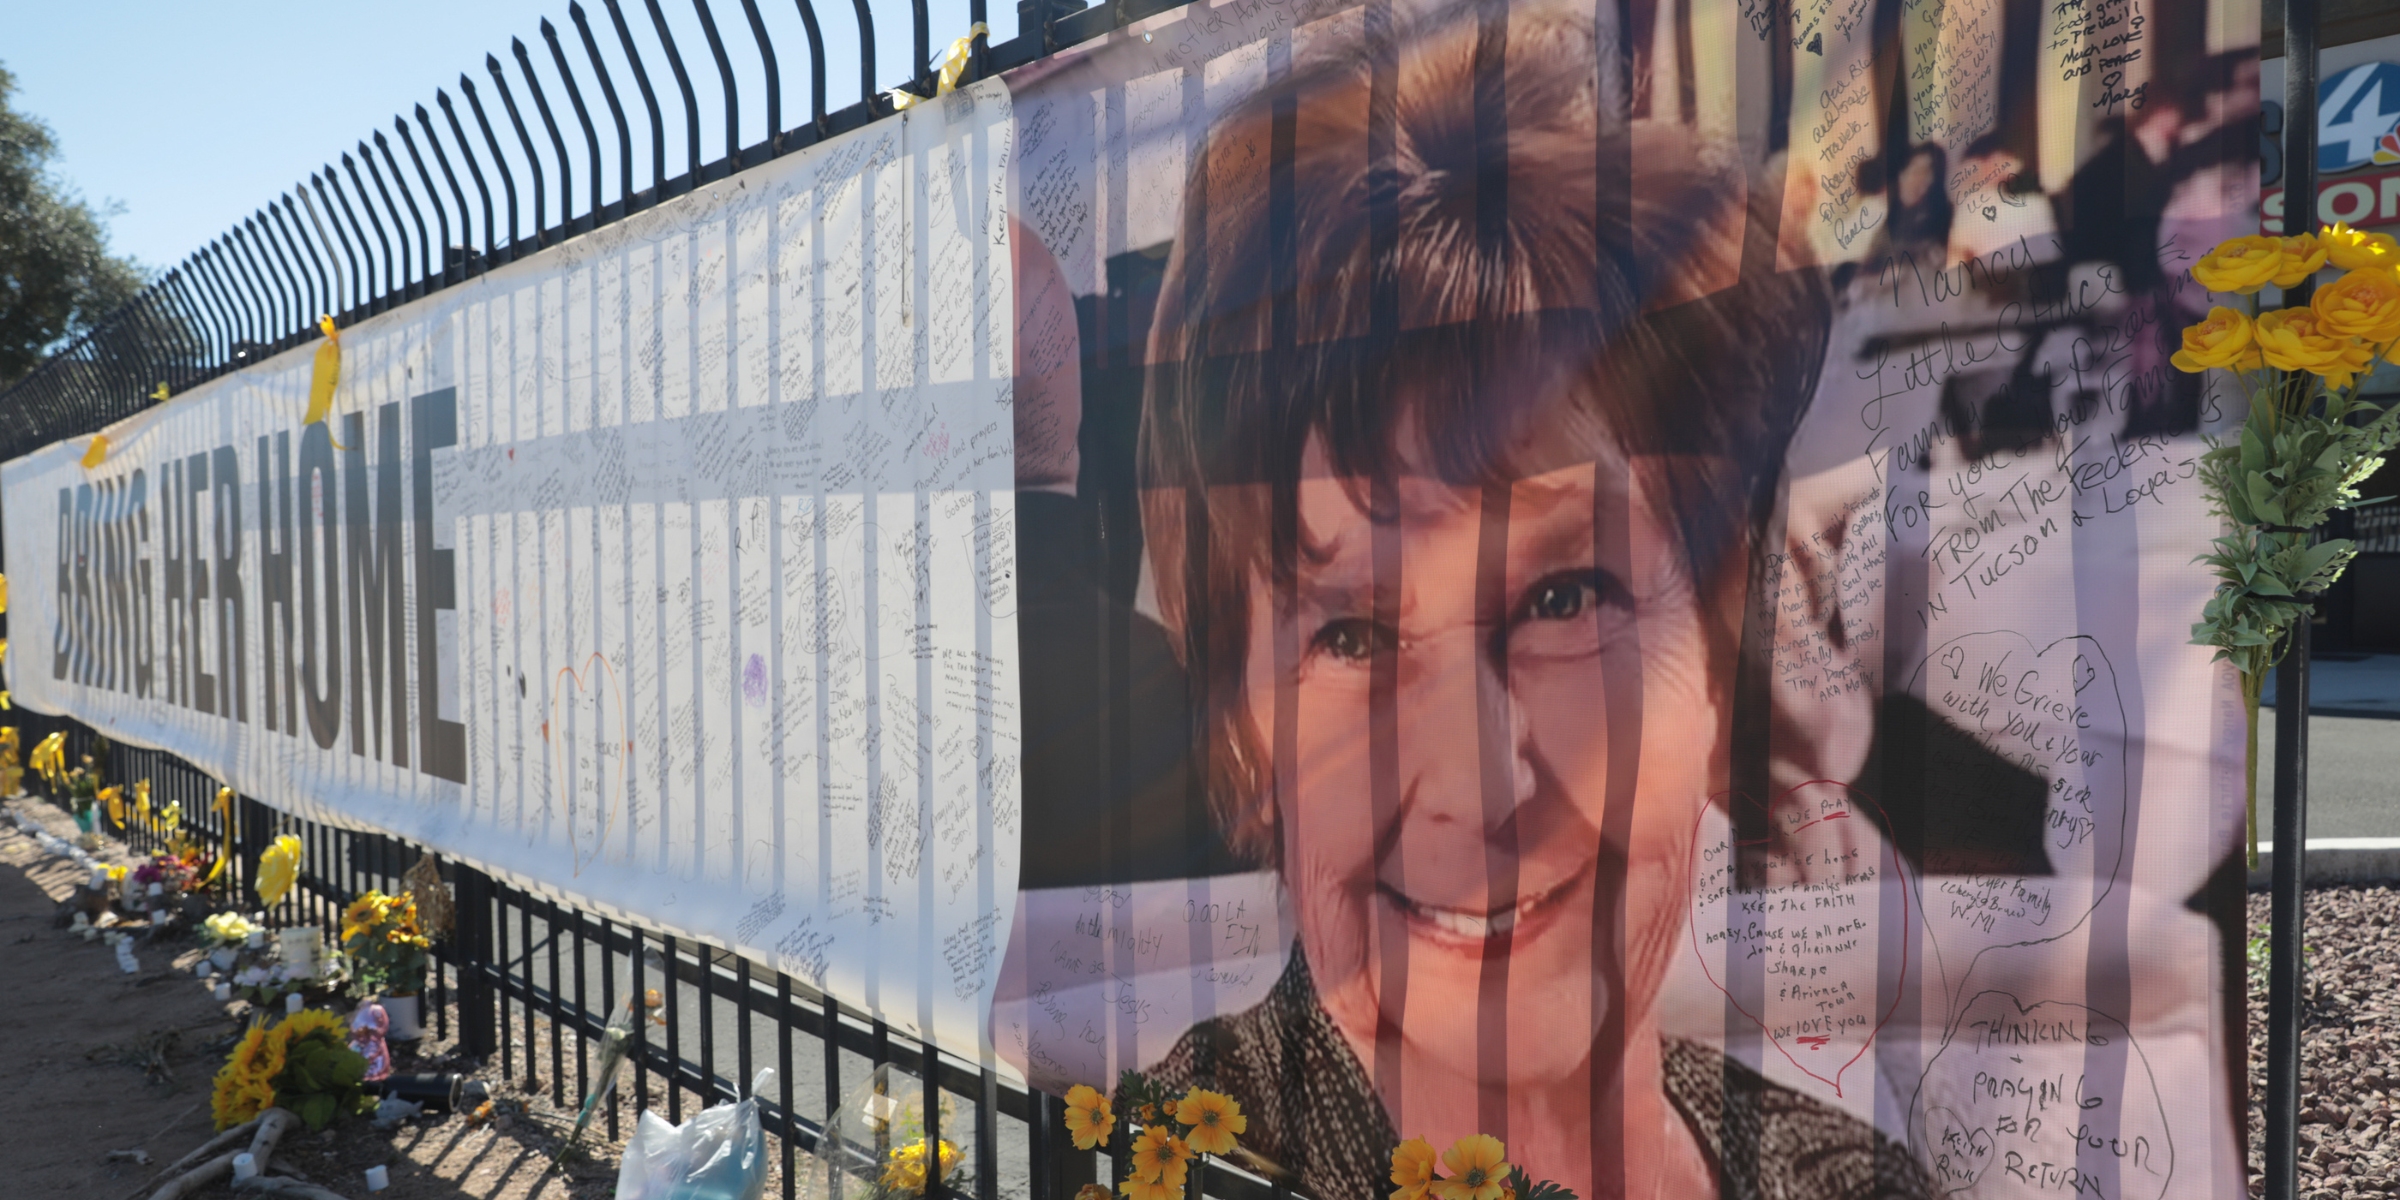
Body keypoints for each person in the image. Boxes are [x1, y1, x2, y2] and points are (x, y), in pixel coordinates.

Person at [1121, 3, 1930, 1197]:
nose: (1482, 786)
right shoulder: (1179, 1157)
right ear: (1242, 736)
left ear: (1717, 664)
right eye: (1349, 632)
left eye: (1564, 596)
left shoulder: (1852, 1179)